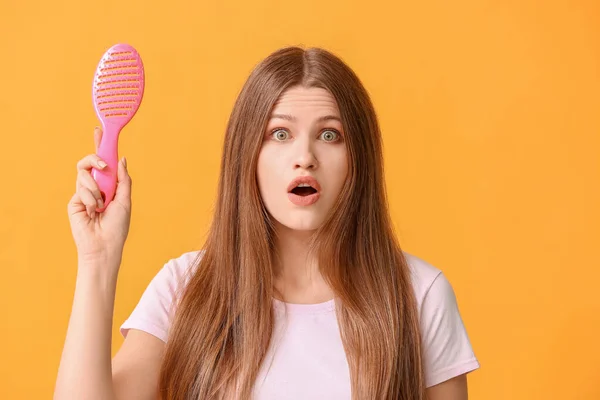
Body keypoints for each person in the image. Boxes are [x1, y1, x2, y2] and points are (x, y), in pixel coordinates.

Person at [55, 46, 480, 400]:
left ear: (359, 161)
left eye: (330, 135)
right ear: (248, 157)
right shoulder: (184, 288)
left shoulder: (419, 295)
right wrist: (98, 259)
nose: (305, 156)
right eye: (280, 134)